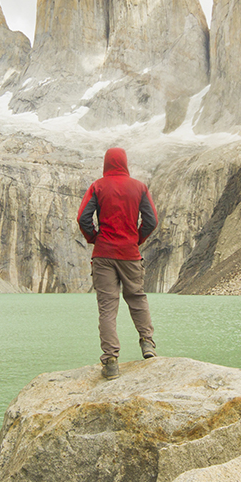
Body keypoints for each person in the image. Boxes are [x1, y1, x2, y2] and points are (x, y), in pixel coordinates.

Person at [77, 147, 158, 380]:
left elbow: (83, 217)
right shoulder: (139, 187)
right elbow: (151, 220)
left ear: (106, 163)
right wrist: (137, 239)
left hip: (103, 255)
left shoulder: (98, 186)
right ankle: (147, 344)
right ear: (125, 163)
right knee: (137, 298)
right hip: (130, 254)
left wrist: (94, 238)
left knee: (107, 307)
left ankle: (111, 361)